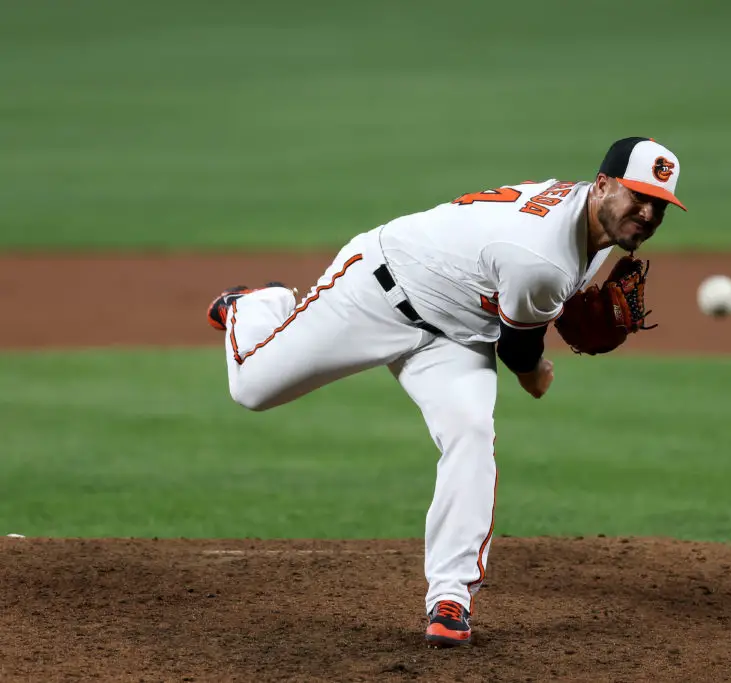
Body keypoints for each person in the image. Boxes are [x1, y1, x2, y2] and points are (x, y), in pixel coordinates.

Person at [205, 136, 687, 647]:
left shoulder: (590, 223)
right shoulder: (541, 257)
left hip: (456, 334)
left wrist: (556, 312)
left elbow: (530, 297)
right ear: (603, 186)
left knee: (472, 433)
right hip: (377, 291)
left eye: (660, 204)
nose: (648, 211)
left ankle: (451, 598)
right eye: (638, 195)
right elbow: (519, 351)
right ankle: (256, 305)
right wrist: (538, 372)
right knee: (251, 388)